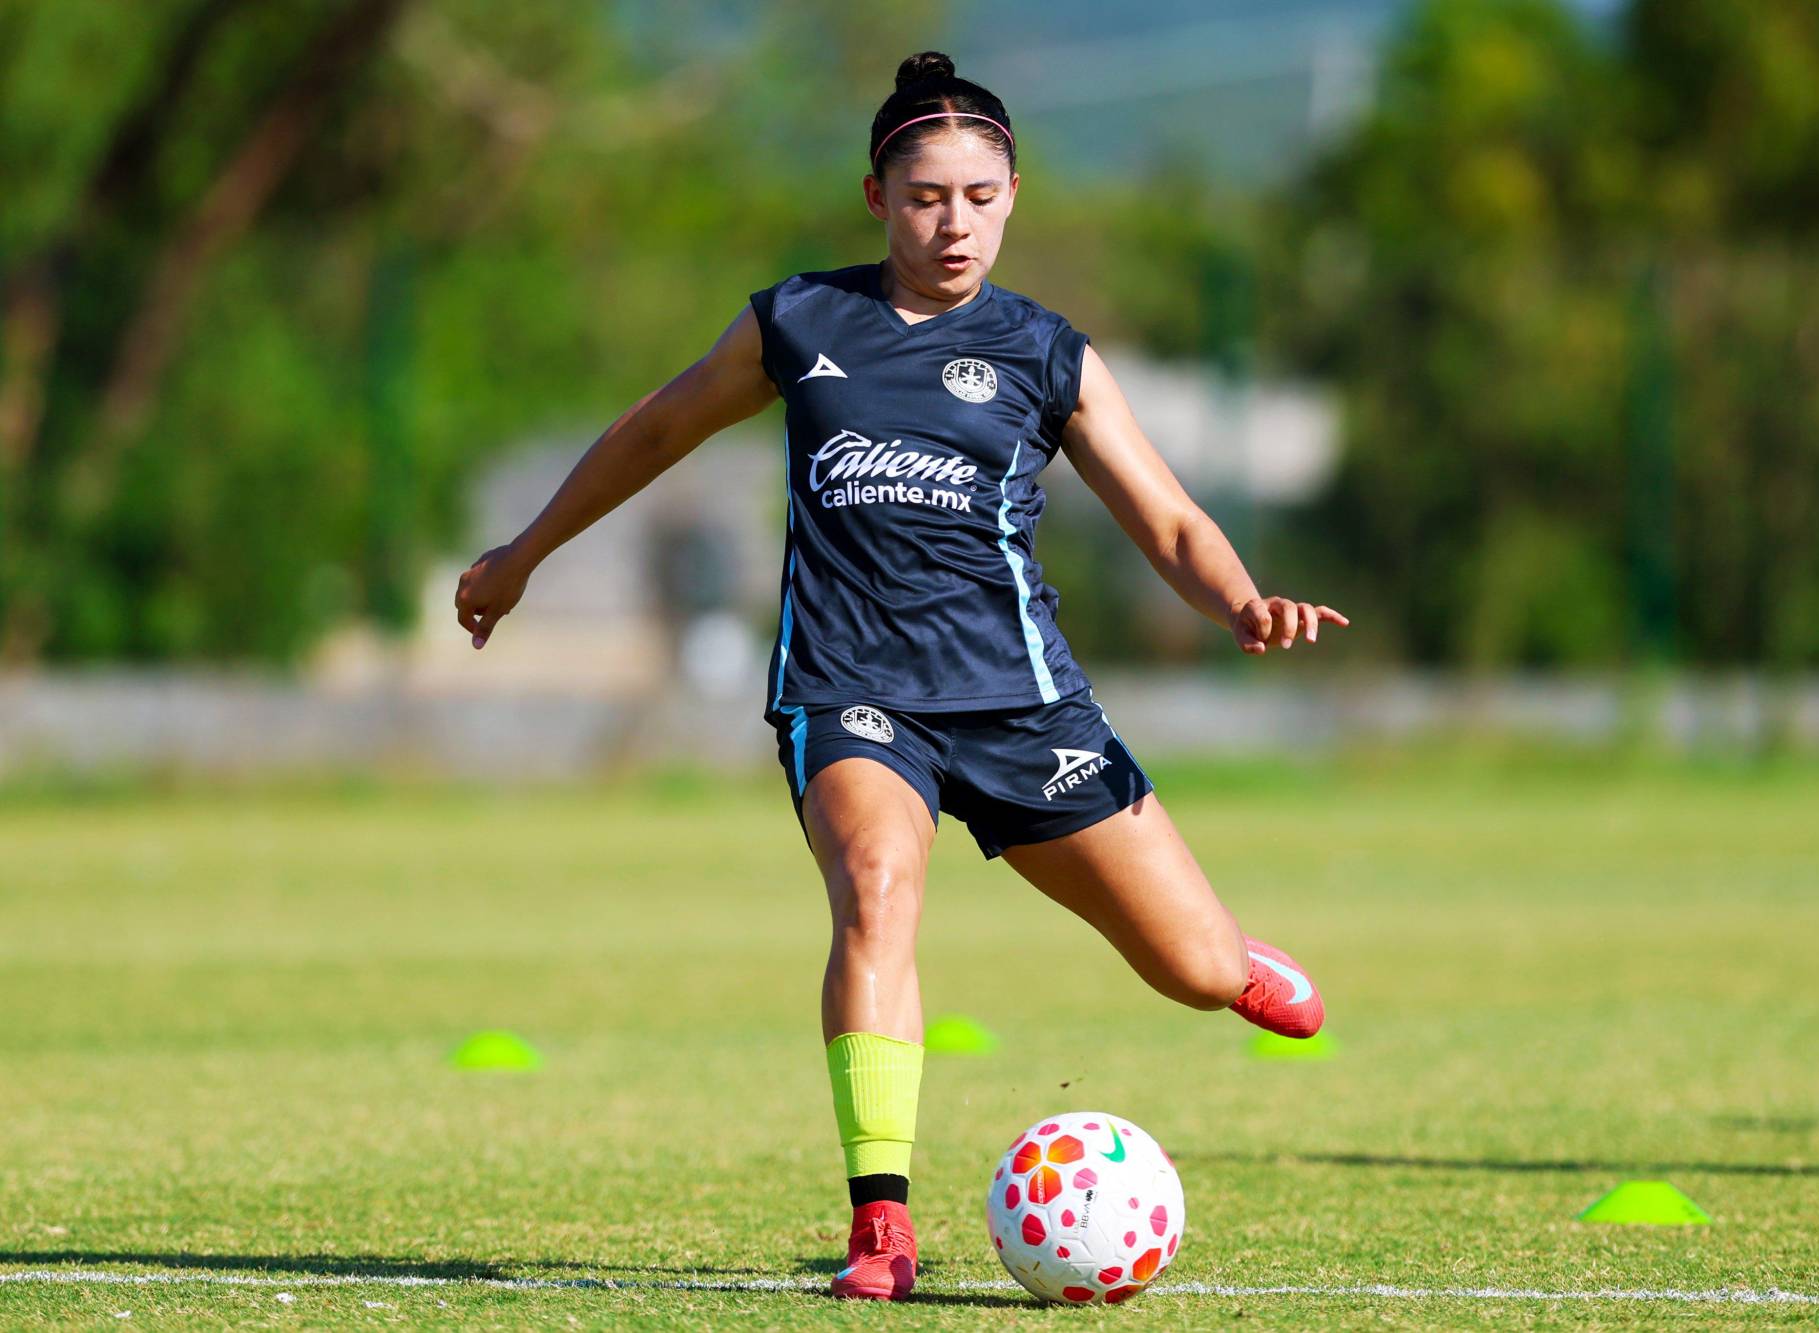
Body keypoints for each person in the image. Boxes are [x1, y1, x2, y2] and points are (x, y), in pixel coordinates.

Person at [453, 50, 1344, 1302]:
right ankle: (881, 1223)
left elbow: (1171, 520)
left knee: (1191, 970)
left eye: (980, 196)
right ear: (875, 195)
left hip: (1019, 701)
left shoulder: (1047, 352)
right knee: (876, 887)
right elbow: (656, 426)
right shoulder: (797, 323)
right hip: (849, 687)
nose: (954, 223)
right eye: (926, 196)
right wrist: (523, 552)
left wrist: (1243, 600)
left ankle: (1227, 958)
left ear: (1014, 194)